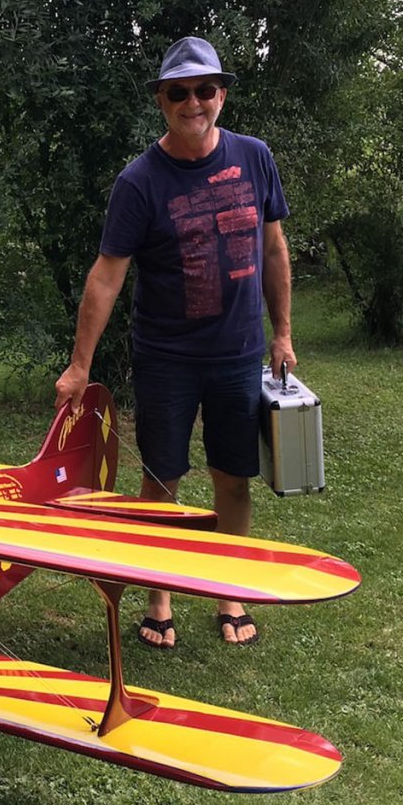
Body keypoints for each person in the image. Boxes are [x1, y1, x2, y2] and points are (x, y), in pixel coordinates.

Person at [54, 36, 294, 648]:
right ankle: (160, 595)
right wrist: (79, 366)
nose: (194, 102)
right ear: (161, 101)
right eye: (179, 92)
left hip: (238, 354)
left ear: (222, 95)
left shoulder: (255, 157)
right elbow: (106, 276)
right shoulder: (139, 182)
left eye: (205, 89)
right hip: (167, 359)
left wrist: (283, 333)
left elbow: (273, 249)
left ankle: (227, 587)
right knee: (162, 481)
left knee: (233, 478)